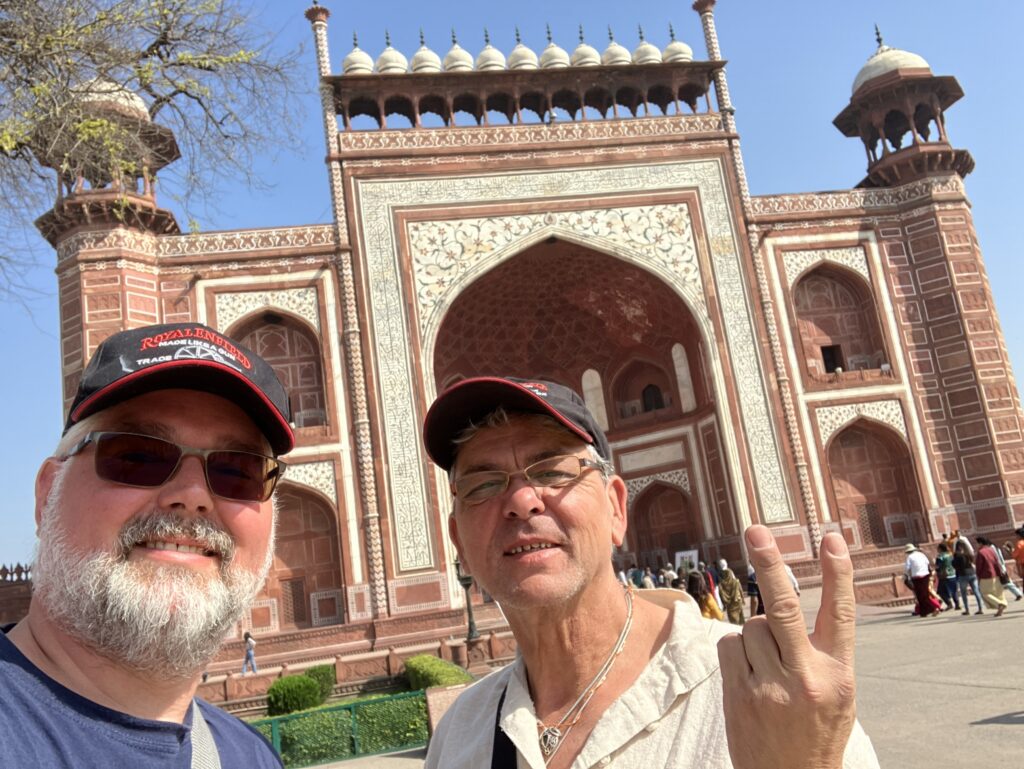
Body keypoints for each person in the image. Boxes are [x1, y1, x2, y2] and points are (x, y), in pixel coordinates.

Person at [421, 376, 878, 768]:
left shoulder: (764, 693)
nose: (523, 501)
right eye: (483, 485)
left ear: (617, 509)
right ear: (459, 541)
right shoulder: (462, 732)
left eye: (554, 472)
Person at [0, 323, 293, 768]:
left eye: (239, 470)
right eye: (138, 455)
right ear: (47, 494)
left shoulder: (249, 757)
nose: (193, 494)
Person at [978, 536, 1023, 601]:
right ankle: (1017, 593)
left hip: (999, 567)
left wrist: (1000, 568)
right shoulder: (993, 547)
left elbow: (997, 559)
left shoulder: (991, 548)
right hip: (999, 567)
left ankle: (1018, 593)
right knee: (1004, 582)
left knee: (1006, 582)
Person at [974, 537, 1008, 617]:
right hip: (995, 574)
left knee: (985, 593)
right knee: (998, 593)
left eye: (977, 543)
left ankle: (999, 604)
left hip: (985, 576)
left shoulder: (981, 552)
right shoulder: (991, 550)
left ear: (980, 543)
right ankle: (1000, 608)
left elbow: (979, 566)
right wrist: (1000, 573)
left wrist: (978, 576)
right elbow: (997, 562)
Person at [903, 544, 939, 618]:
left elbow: (907, 568)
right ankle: (924, 612)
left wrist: (907, 576)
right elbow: (927, 564)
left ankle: (933, 608)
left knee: (921, 595)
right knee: (925, 594)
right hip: (925, 575)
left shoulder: (909, 557)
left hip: (917, 577)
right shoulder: (921, 555)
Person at [953, 541, 984, 615]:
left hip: (963, 575)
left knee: (964, 593)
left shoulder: (958, 556)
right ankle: (980, 608)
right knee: (976, 591)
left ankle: (967, 610)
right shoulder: (969, 554)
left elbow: (955, 565)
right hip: (972, 573)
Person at [716, 559, 746, 626]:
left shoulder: (721, 584)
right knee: (740, 619)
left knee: (733, 621)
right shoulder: (735, 581)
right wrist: (743, 598)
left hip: (730, 604)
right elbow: (740, 589)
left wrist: (723, 604)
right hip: (737, 600)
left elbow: (721, 595)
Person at [933, 543, 959, 611]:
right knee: (954, 590)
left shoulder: (940, 557)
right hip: (953, 574)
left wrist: (936, 569)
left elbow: (938, 566)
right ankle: (957, 604)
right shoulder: (950, 555)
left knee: (941, 591)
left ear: (940, 549)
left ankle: (949, 603)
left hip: (944, 575)